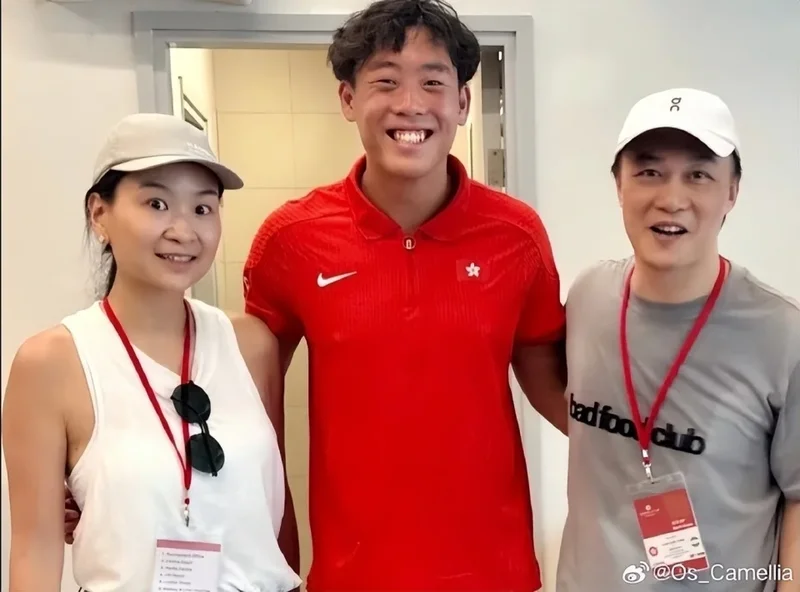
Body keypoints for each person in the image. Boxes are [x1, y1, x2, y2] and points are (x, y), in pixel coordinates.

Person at [242, 0, 567, 589]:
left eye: (433, 82)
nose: (411, 104)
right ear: (348, 99)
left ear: (462, 102)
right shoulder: (291, 239)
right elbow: (242, 399)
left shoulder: (517, 235)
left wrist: (665, 450)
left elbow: (555, 384)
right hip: (352, 573)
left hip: (494, 571)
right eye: (386, 81)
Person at [3, 113, 303, 592]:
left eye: (202, 208)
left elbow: (273, 516)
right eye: (156, 204)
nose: (184, 230)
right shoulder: (52, 363)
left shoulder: (251, 345)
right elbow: (34, 552)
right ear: (99, 214)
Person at [556, 88, 800, 591]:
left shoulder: (781, 334)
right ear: (618, 185)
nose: (671, 199)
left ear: (732, 191)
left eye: (698, 175)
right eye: (648, 172)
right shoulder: (588, 297)